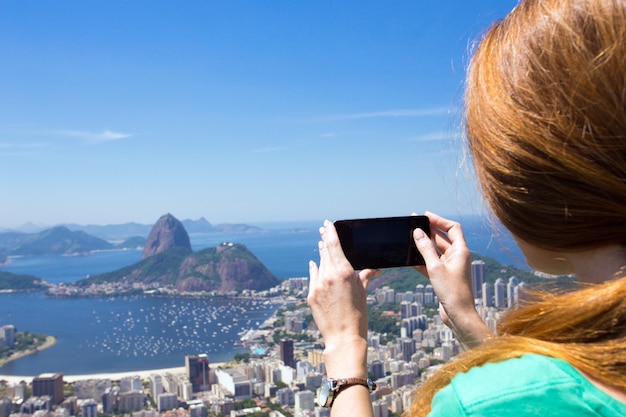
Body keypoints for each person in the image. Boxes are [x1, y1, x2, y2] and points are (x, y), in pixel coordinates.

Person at [307, 0, 626, 415]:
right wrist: (464, 317)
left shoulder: (478, 403)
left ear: (526, 179)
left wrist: (345, 345)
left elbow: (522, 402)